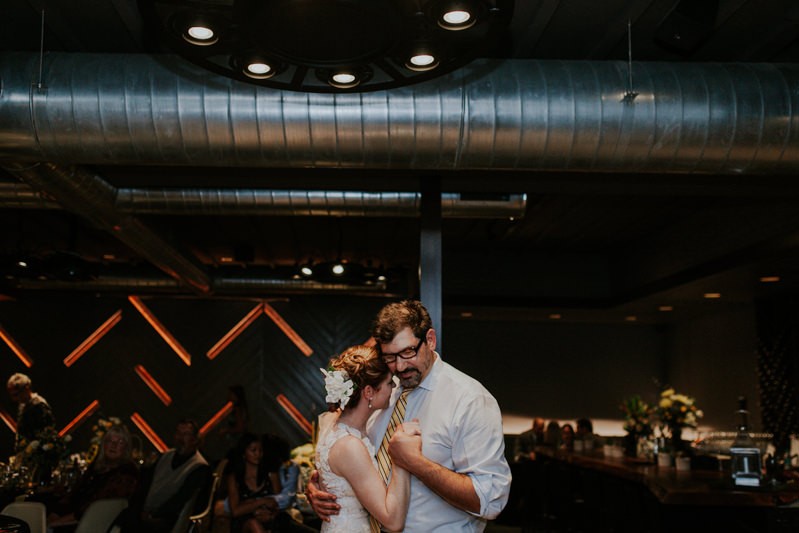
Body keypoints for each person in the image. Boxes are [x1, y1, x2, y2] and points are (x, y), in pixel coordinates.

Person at [308, 300, 511, 532]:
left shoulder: (469, 400)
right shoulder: (382, 391)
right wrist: (324, 487)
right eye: (390, 358)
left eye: (407, 352)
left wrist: (415, 463)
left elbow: (491, 500)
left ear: (430, 340)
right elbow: (355, 462)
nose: (401, 366)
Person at [314, 344, 418, 532]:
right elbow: (393, 521)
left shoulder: (334, 423)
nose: (394, 386)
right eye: (389, 382)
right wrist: (401, 458)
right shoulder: (349, 446)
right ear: (369, 392)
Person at [115, 418, 210, 533]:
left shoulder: (199, 467)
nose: (180, 438)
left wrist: (154, 515)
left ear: (194, 439)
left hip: (167, 519)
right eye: (178, 433)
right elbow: (145, 482)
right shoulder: (166, 456)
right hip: (145, 513)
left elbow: (180, 499)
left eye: (185, 434)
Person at [47, 423, 139, 528]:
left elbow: (95, 508)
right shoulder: (97, 467)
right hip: (74, 517)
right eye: (110, 441)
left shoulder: (127, 473)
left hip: (93, 525)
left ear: (126, 448)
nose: (114, 445)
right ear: (104, 444)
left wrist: (55, 523)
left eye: (120, 442)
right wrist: (56, 512)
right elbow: (75, 493)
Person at [6, 373, 55, 452]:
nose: (15, 399)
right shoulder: (22, 406)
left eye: (17, 394)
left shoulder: (39, 405)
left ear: (27, 388)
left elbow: (47, 432)